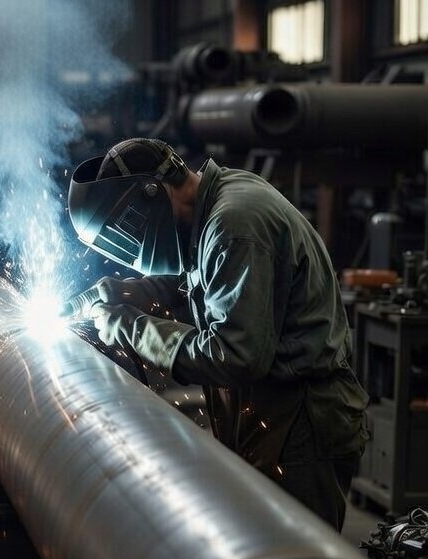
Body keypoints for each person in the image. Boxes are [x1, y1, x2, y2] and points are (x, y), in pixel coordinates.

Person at [64, 137, 368, 531]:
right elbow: (205, 283)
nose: (132, 251)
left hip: (300, 425)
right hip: (274, 413)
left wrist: (129, 328)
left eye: (125, 236)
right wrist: (120, 292)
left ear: (151, 196)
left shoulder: (233, 224)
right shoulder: (216, 202)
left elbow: (235, 354)